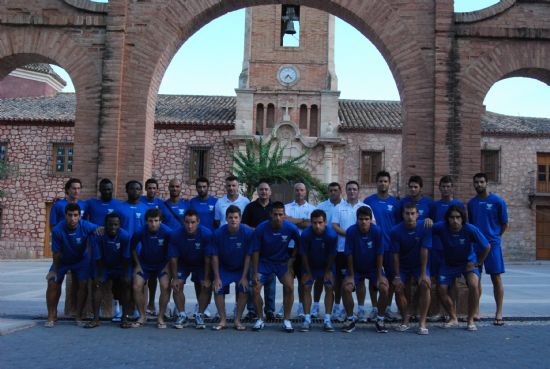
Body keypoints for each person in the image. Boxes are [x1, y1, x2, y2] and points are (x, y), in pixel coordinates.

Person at [432, 205, 491, 331]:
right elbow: (424, 227)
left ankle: (470, 320)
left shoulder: (470, 229)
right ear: (447, 219)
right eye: (452, 217)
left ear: (462, 218)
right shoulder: (441, 227)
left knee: (474, 285)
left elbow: (486, 246)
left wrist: (478, 263)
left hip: (468, 263)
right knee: (441, 289)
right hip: (449, 263)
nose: (455, 220)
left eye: (458, 217)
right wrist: (426, 221)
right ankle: (453, 318)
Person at [45, 203, 100, 327]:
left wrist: (100, 230)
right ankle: (51, 316)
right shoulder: (58, 230)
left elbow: (99, 229)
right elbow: (56, 252)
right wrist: (54, 270)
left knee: (83, 284)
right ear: (65, 215)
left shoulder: (85, 225)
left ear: (79, 216)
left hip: (81, 260)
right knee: (52, 282)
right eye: (70, 215)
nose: (73, 218)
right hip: (62, 260)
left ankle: (79, 316)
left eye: (75, 215)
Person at [251, 202, 300, 333]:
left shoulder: (291, 228)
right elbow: (255, 251)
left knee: (289, 287)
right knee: (255, 289)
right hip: (264, 263)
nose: (278, 217)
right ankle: (260, 319)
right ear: (270, 215)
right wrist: (255, 271)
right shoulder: (261, 228)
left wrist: (292, 259)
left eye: (280, 214)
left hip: (282, 263)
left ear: (284, 215)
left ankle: (287, 320)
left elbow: (299, 243)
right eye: (275, 214)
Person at [467, 172, 508, 326]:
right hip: (476, 245)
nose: (479, 185)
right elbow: (471, 224)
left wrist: (495, 238)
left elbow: (504, 223)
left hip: (493, 245)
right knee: (476, 279)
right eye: (476, 182)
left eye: (481, 182)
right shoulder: (471, 203)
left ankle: (499, 312)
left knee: (496, 277)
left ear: (486, 183)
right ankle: (476, 310)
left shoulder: (498, 201)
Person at [332, 180, 375, 322]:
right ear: (346, 191)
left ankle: (361, 310)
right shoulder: (339, 208)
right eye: (349, 189)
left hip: (361, 251)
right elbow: (334, 225)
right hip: (342, 249)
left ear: (358, 191)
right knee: (341, 281)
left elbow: (373, 225)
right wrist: (349, 235)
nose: (352, 192)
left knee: (360, 280)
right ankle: (339, 308)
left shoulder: (365, 207)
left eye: (354, 189)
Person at [341, 206, 389, 333]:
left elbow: (380, 253)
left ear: (370, 220)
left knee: (384, 287)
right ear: (356, 220)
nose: (363, 222)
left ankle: (380, 319)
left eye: (366, 219)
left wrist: (379, 276)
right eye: (361, 219)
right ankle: (350, 320)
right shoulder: (351, 231)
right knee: (346, 287)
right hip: (356, 268)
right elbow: (349, 254)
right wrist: (351, 275)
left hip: (373, 268)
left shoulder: (377, 231)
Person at [86, 178, 124, 322]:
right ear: (99, 190)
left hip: (114, 247)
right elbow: (82, 219)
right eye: (104, 189)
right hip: (96, 247)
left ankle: (118, 308)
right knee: (95, 279)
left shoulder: (118, 205)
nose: (107, 191)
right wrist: (95, 228)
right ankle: (91, 312)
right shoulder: (91, 204)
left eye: (109, 189)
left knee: (118, 280)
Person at [364, 171, 400, 321]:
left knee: (391, 279)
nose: (383, 183)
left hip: (391, 247)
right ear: (376, 183)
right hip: (373, 247)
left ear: (389, 183)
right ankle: (374, 308)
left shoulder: (395, 203)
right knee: (373, 279)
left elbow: (399, 224)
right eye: (380, 181)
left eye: (385, 181)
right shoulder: (368, 201)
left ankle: (387, 307)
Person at [391, 203, 432, 335]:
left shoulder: (424, 227)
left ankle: (422, 322)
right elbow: (395, 255)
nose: (410, 216)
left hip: (419, 265)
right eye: (407, 213)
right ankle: (405, 319)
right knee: (397, 287)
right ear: (403, 215)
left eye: (412, 213)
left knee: (425, 284)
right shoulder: (396, 230)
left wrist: (424, 274)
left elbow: (424, 250)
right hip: (402, 266)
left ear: (417, 214)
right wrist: (397, 276)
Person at [168, 209, 213, 329]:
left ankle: (200, 314)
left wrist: (207, 278)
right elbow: (173, 259)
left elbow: (208, 258)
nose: (189, 225)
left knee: (206, 285)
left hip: (201, 263)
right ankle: (182, 315)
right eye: (187, 222)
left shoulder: (206, 234)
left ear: (198, 221)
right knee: (177, 286)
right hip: (183, 262)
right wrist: (175, 278)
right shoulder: (176, 234)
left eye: (193, 222)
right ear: (183, 222)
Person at [211, 205, 254, 331]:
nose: (233, 220)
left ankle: (237, 320)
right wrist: (217, 277)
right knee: (218, 288)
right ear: (226, 219)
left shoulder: (247, 233)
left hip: (241, 268)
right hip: (224, 268)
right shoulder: (218, 233)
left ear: (240, 219)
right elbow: (214, 256)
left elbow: (248, 256)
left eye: (236, 217)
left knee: (244, 288)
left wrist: (244, 276)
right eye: (230, 217)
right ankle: (222, 319)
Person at [429, 175, 465, 322]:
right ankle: (439, 310)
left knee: (454, 283)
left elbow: (463, 225)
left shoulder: (458, 205)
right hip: (436, 248)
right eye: (443, 186)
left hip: (452, 249)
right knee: (438, 282)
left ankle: (452, 311)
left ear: (452, 188)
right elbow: (431, 224)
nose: (445, 189)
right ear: (439, 188)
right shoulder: (435, 205)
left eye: (448, 186)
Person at [87, 213, 132, 328]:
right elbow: (98, 258)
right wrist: (101, 276)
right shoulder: (98, 236)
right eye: (110, 224)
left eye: (116, 225)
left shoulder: (125, 236)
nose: (113, 227)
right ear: (105, 225)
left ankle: (124, 318)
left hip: (120, 266)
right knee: (97, 283)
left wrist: (125, 275)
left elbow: (126, 257)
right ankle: (96, 319)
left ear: (120, 225)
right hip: (104, 266)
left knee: (126, 283)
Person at [130, 208, 172, 328]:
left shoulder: (167, 232)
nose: (153, 224)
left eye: (156, 220)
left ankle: (160, 317)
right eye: (150, 221)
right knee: (136, 286)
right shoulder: (140, 231)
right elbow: (132, 248)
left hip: (161, 264)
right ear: (146, 221)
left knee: (165, 286)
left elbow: (173, 251)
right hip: (144, 264)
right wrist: (137, 264)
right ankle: (142, 316)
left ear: (161, 221)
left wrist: (168, 266)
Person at [299, 209, 338, 332]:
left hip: (326, 265)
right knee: (306, 287)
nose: (317, 226)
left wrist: (328, 272)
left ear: (325, 222)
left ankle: (327, 319)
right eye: (314, 222)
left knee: (329, 287)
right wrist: (308, 273)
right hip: (310, 265)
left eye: (320, 222)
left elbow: (332, 255)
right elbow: (303, 254)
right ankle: (307, 319)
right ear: (311, 222)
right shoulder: (305, 234)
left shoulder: (331, 235)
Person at [242, 180, 276, 320]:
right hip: (254, 248)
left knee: (270, 283)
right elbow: (243, 224)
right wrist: (256, 230)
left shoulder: (274, 208)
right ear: (258, 191)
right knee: (253, 281)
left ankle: (270, 310)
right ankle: (252, 310)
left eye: (266, 189)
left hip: (270, 250)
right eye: (261, 189)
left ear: (270, 192)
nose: (264, 192)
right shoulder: (250, 207)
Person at [284, 182, 316, 318]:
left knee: (304, 281)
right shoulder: (286, 207)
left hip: (306, 250)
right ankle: (285, 306)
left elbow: (311, 224)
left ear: (306, 192)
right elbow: (285, 221)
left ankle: (302, 307)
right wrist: (303, 220)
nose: (299, 192)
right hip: (289, 248)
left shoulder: (313, 208)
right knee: (287, 279)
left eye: (302, 190)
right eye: (297, 190)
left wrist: (295, 221)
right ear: (294, 191)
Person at [313, 182, 343, 317]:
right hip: (322, 248)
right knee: (319, 278)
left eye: (335, 190)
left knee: (337, 279)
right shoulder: (321, 206)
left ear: (340, 191)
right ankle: (315, 305)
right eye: (330, 190)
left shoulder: (346, 206)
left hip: (341, 248)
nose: (333, 193)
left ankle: (336, 305)